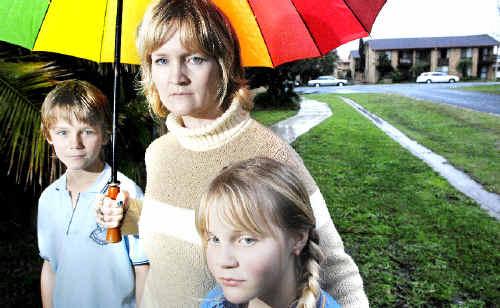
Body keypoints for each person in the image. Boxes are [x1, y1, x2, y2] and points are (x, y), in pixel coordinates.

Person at [98, 0, 368, 306]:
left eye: (195, 59)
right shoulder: (158, 152)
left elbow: (333, 266)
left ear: (223, 65)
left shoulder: (268, 153)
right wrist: (130, 215)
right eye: (161, 60)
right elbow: (176, 227)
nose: (176, 76)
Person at [37, 80, 149, 308]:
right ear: (48, 135)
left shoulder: (126, 193)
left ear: (106, 135)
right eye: (62, 132)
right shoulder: (48, 198)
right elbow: (50, 266)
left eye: (87, 131)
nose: (75, 143)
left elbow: (143, 266)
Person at [196, 157, 341, 308]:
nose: (223, 261)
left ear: (298, 238)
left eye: (247, 240)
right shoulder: (215, 302)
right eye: (214, 239)